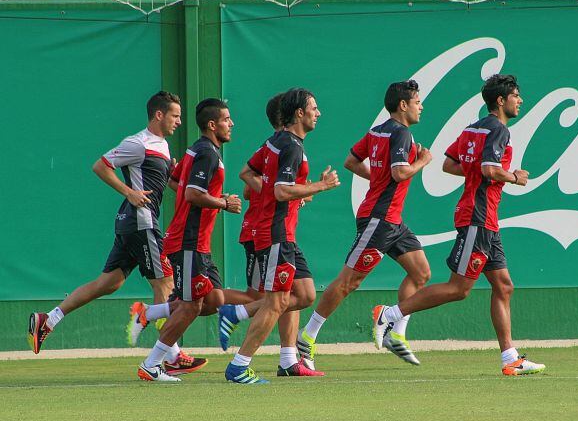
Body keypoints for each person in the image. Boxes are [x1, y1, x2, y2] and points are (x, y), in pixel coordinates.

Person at [372, 74, 546, 376]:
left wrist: (480, 172)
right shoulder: (499, 130)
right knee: (458, 289)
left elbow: (450, 164)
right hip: (477, 218)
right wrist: (513, 177)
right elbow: (491, 169)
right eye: (516, 96)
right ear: (501, 100)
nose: (521, 101)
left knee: (503, 286)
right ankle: (391, 313)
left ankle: (510, 359)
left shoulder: (473, 128)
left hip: (486, 219)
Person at [27, 92, 201, 374]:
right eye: (175, 116)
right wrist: (129, 192)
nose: (179, 121)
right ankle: (171, 356)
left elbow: (168, 183)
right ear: (159, 115)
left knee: (109, 283)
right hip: (140, 223)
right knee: (165, 284)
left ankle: (48, 320)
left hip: (132, 223)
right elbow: (101, 165)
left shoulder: (163, 147)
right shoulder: (138, 143)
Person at [296, 80, 432, 369]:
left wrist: (379, 178)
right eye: (417, 101)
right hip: (379, 219)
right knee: (349, 281)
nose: (422, 106)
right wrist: (422, 161)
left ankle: (397, 333)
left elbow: (351, 161)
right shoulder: (403, 134)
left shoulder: (377, 131)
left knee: (420, 273)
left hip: (393, 220)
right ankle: (307, 335)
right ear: (403, 105)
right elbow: (399, 173)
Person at [224, 88, 340, 384]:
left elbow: (248, 172)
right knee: (276, 302)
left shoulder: (275, 142)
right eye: (314, 108)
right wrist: (320, 186)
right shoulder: (290, 146)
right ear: (299, 113)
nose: (319, 113)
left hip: (282, 231)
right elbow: (280, 190)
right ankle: (239, 365)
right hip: (276, 233)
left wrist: (275, 198)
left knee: (305, 295)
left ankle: (238, 314)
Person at [137, 98, 242, 382]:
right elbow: (191, 194)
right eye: (226, 119)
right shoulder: (206, 152)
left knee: (214, 300)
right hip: (188, 240)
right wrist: (223, 202)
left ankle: (148, 313)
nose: (231, 124)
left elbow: (176, 182)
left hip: (199, 243)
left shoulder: (198, 150)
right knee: (191, 305)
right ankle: (152, 364)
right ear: (212, 125)